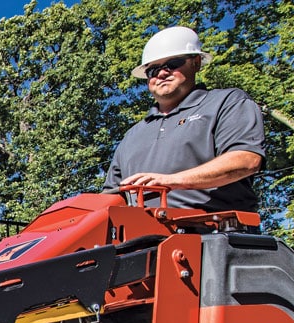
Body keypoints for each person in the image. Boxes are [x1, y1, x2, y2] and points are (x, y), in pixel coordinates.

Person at [103, 26, 265, 213]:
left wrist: (170, 181)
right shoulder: (133, 135)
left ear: (195, 62)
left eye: (173, 64)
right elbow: (110, 196)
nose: (161, 74)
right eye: (153, 70)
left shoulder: (226, 103)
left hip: (212, 233)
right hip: (143, 238)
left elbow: (246, 160)